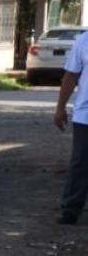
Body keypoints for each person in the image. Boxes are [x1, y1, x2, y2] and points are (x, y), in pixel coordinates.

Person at [53, 29, 88, 224]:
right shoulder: (84, 40)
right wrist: (60, 108)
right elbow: (70, 77)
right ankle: (71, 208)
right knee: (80, 162)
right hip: (85, 114)